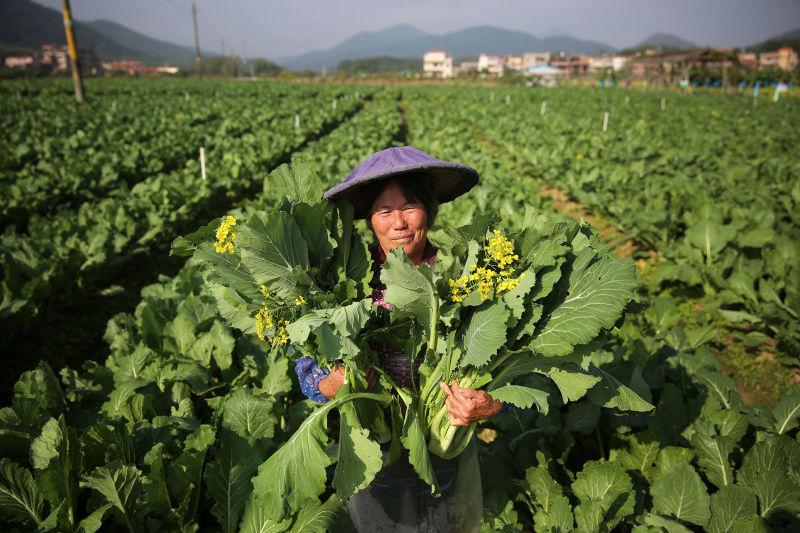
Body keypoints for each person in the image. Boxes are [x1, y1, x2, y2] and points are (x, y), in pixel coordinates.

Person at [295, 146, 506, 532]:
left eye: (409, 206)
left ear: (429, 210)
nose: (399, 223)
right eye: (384, 211)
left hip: (447, 451)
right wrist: (330, 384)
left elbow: (507, 373)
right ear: (370, 220)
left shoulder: (466, 276)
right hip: (373, 455)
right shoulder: (344, 281)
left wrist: (490, 405)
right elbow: (306, 367)